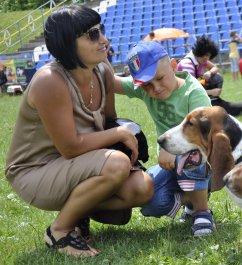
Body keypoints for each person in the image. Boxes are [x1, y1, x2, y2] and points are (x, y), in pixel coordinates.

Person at [4, 6, 154, 258]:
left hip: (76, 164)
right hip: (35, 172)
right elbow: (70, 147)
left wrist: (123, 143)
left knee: (142, 188)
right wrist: (119, 136)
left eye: (101, 31)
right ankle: (59, 231)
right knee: (116, 165)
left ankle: (78, 212)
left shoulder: (103, 71)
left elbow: (107, 123)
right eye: (92, 35)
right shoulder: (49, 80)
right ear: (67, 43)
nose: (104, 40)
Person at [114, 41, 216, 237]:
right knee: (152, 204)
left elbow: (204, 137)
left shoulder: (193, 93)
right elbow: (112, 82)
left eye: (160, 78)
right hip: (170, 165)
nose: (155, 88)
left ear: (173, 66)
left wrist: (172, 148)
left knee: (191, 157)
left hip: (202, 161)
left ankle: (202, 210)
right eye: (146, 86)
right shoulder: (145, 88)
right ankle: (190, 202)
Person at [177, 35, 242, 116]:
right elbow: (189, 91)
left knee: (217, 76)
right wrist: (211, 92)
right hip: (187, 100)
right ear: (199, 52)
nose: (207, 59)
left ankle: (213, 100)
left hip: (196, 89)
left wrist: (209, 72)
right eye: (205, 56)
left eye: (209, 56)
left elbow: (215, 68)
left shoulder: (199, 58)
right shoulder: (187, 65)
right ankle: (211, 101)